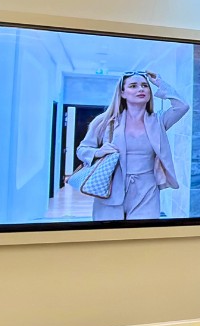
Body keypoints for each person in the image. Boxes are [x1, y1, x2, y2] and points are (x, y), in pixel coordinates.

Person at [76, 70, 190, 220]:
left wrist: (160, 83)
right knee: (110, 233)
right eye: (133, 86)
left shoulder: (158, 121)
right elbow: (82, 150)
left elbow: (182, 106)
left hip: (147, 189)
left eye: (144, 86)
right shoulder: (105, 121)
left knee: (143, 232)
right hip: (111, 188)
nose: (141, 89)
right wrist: (98, 152)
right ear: (122, 93)